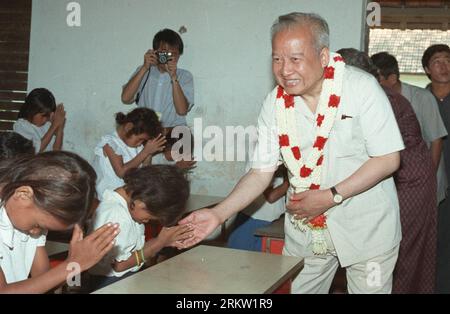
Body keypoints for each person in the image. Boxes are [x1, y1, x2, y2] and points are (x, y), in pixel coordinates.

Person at [179, 12, 405, 294]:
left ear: (323, 57)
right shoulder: (275, 105)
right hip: (306, 230)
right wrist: (218, 214)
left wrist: (330, 196)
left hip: (367, 230)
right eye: (277, 59)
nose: (285, 70)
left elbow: (388, 158)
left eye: (295, 59)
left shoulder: (361, 89)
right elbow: (261, 172)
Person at [338, 48, 437, 293]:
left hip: (409, 178)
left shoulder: (377, 96)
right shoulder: (372, 93)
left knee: (401, 244)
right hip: (398, 175)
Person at [0, 151, 119, 293]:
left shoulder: (34, 211)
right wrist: (73, 264)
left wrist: (74, 266)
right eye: (37, 225)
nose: (36, 232)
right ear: (23, 194)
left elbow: (43, 279)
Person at [89, 165, 191, 291]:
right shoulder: (118, 217)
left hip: (122, 278)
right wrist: (159, 243)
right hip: (109, 283)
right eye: (150, 218)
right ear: (140, 203)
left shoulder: (126, 204)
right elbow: (120, 265)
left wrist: (165, 241)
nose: (147, 221)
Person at [371, 52, 447, 205]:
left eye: (376, 80)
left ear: (392, 78)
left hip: (424, 176)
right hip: (397, 178)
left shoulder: (422, 98)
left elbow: (436, 142)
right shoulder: (376, 99)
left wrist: (427, 178)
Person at [121, 29, 194, 131]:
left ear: (179, 55)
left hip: (174, 133)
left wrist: (173, 77)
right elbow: (125, 98)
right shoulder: (143, 71)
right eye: (165, 53)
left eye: (173, 53)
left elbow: (182, 111)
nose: (169, 57)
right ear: (155, 52)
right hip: (145, 132)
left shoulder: (184, 76)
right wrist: (144, 67)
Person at [422, 44, 450, 293]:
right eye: (437, 61)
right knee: (432, 244)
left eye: (448, 60)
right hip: (430, 186)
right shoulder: (420, 100)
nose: (444, 66)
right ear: (427, 69)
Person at [93, 107, 166, 200]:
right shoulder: (110, 143)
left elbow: (144, 172)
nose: (140, 143)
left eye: (144, 141)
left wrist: (149, 154)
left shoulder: (138, 147)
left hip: (125, 196)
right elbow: (122, 172)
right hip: (106, 196)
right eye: (140, 139)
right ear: (128, 127)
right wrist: (145, 152)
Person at [227, 163, 288, 252]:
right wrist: (289, 181)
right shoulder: (266, 164)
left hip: (263, 220)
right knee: (238, 258)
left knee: (257, 261)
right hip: (253, 220)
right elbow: (271, 196)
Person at [13, 88, 66, 153]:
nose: (46, 119)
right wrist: (54, 126)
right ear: (31, 110)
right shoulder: (21, 126)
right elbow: (36, 150)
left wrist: (60, 126)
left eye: (48, 116)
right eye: (43, 116)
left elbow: (56, 151)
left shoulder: (47, 125)